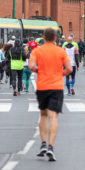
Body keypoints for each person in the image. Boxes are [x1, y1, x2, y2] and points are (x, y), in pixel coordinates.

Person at [29, 28, 72, 162]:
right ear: (55, 38)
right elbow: (69, 69)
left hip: (42, 86)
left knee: (43, 115)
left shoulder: (37, 50)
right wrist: (61, 74)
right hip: (56, 86)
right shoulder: (61, 51)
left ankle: (43, 144)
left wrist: (38, 71)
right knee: (53, 116)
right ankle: (51, 147)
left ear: (43, 37)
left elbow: (30, 66)